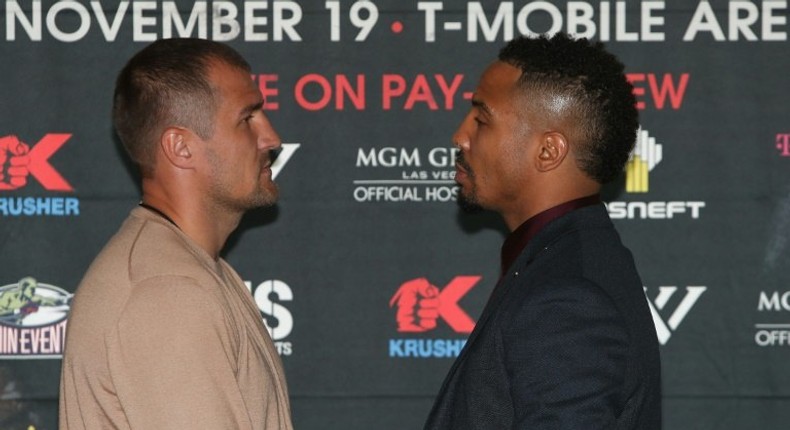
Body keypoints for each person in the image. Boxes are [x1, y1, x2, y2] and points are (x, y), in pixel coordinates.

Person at [423, 33, 661, 429]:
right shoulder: (563, 264)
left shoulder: (568, 297)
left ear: (549, 150)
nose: (460, 136)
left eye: (481, 119)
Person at [59, 38, 293, 430]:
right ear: (180, 147)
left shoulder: (189, 269)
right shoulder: (167, 290)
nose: (271, 138)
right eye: (247, 118)